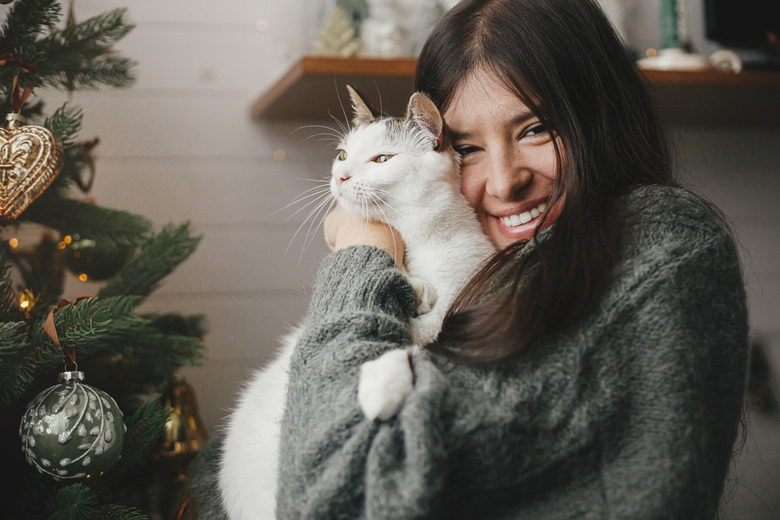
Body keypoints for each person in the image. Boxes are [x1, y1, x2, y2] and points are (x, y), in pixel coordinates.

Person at [187, 0, 749, 518]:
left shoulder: (662, 239)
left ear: (601, 116)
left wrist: (361, 253)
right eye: (467, 148)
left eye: (536, 129)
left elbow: (333, 495)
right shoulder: (488, 267)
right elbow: (222, 470)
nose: (504, 182)